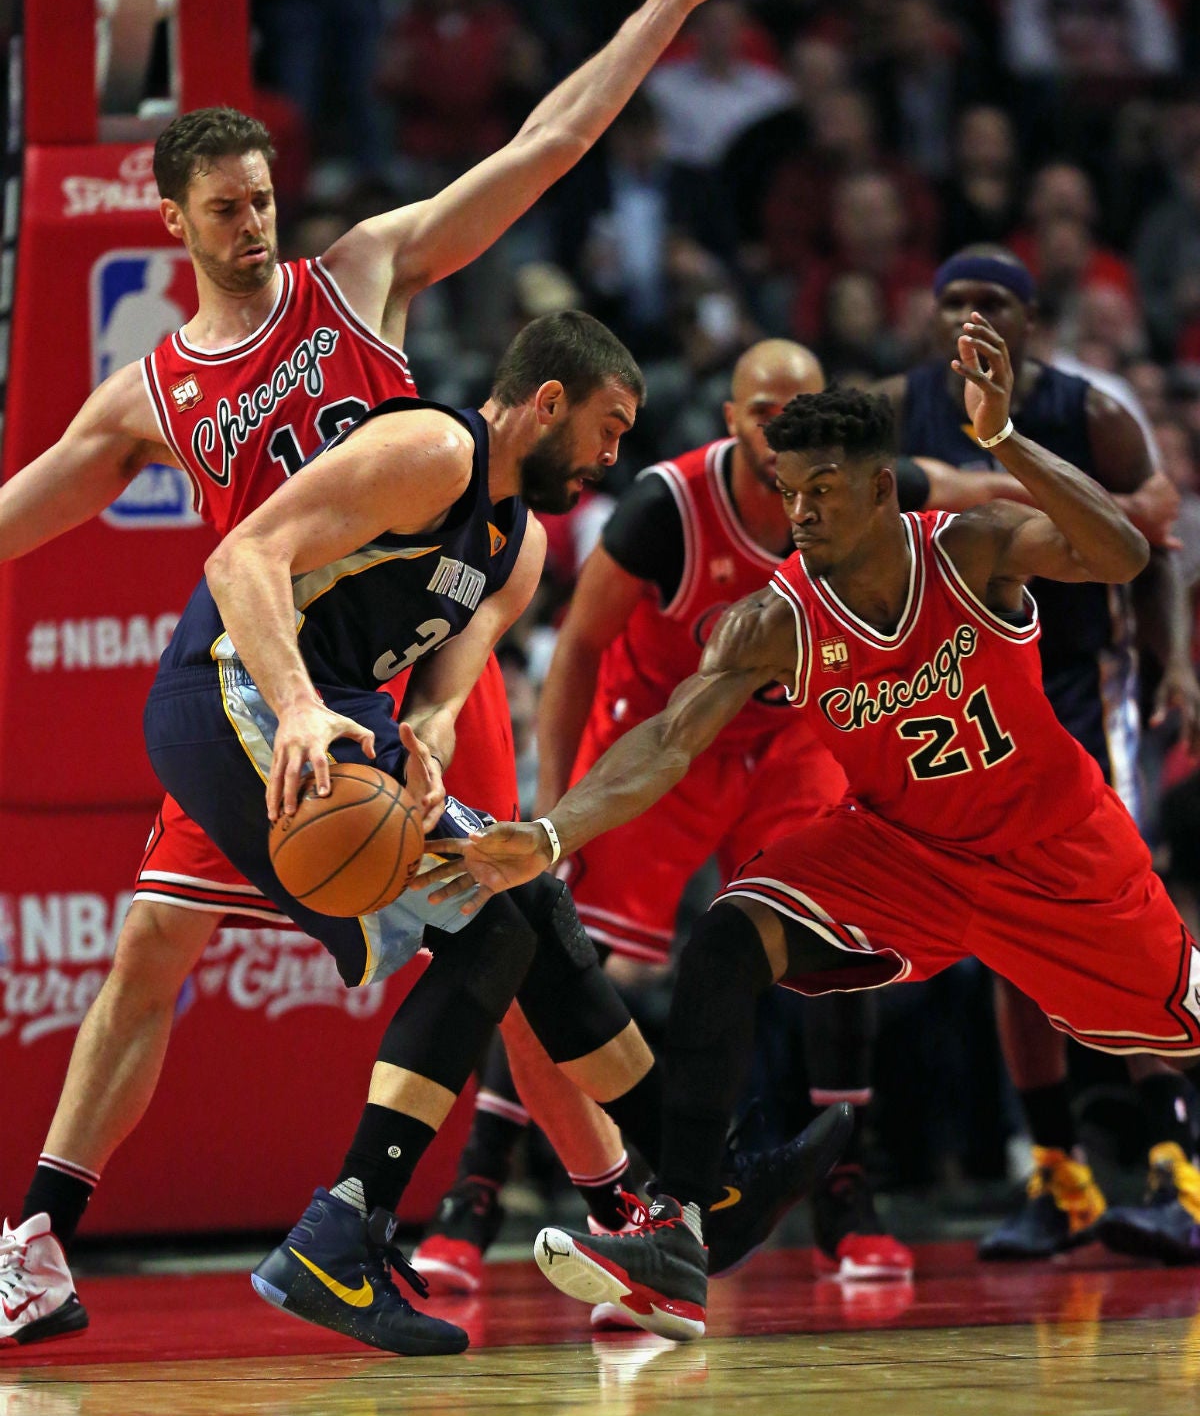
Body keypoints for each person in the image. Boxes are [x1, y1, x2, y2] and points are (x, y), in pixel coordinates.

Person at [0, 0, 769, 1348]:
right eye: (224, 209)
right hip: (272, 687)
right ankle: (38, 1240)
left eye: (262, 199)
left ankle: (623, 1205)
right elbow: (15, 520)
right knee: (157, 948)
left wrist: (663, 7)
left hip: (404, 673)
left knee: (511, 933)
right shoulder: (150, 396)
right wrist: (303, 699)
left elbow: (543, 148)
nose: (252, 226)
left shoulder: (358, 275)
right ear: (172, 222)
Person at [435, 334, 1200, 1342]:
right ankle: (680, 1228)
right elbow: (668, 738)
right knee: (727, 937)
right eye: (790, 492)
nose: (800, 513)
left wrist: (1007, 439)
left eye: (824, 491)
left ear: (883, 489)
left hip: (1059, 852)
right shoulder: (776, 619)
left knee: (1185, 1027)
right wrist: (548, 830)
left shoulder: (969, 548)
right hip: (903, 856)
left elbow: (1123, 554)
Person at [141, 310, 850, 1356]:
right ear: (548, 401)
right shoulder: (434, 448)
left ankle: (702, 1183)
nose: (613, 456)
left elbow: (439, 692)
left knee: (522, 898)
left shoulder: (518, 549)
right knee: (487, 926)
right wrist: (295, 705)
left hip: (352, 721)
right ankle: (344, 1234)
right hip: (235, 695)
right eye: (608, 428)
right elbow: (243, 555)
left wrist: (426, 740)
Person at [876, 247, 1200, 1265]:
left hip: (1077, 687)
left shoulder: (1089, 411)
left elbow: (1156, 552)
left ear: (1030, 321)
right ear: (930, 316)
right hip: (973, 701)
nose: (970, 317)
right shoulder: (896, 408)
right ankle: (1059, 1174)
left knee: (1127, 918)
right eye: (954, 301)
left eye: (993, 303)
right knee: (1007, 939)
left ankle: (1180, 1166)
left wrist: (1176, 665)